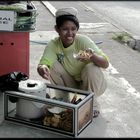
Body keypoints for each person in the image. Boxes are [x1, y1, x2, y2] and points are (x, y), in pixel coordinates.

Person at [37, 7, 109, 118]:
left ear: (77, 29)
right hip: (72, 83)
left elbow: (105, 63)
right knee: (52, 66)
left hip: (93, 85)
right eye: (65, 29)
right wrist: (42, 68)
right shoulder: (54, 44)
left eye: (73, 29)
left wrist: (92, 56)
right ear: (57, 29)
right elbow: (44, 62)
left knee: (91, 68)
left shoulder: (83, 41)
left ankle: (92, 104)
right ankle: (65, 100)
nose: (70, 33)